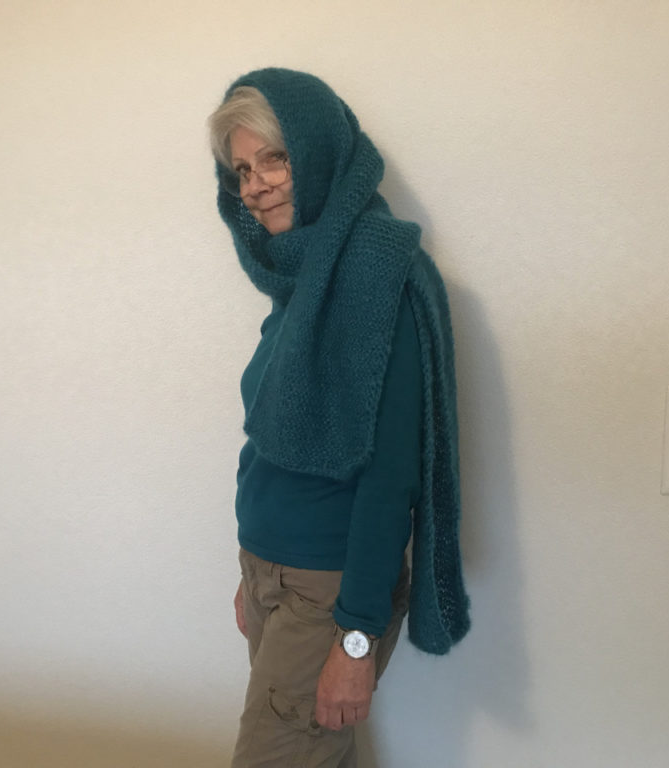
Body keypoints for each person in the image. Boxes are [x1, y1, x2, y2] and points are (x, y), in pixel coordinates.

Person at [208, 68, 470, 768]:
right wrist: (254, 576)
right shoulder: (304, 280)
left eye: (275, 159)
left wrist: (356, 640)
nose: (255, 185)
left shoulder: (378, 272)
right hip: (269, 576)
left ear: (318, 154)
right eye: (242, 169)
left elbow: (389, 480)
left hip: (324, 592)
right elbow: (269, 441)